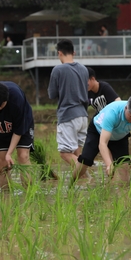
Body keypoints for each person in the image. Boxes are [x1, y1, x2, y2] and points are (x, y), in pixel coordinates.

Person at [74, 95, 131, 182]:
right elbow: (103, 143)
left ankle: (114, 193)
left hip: (120, 136)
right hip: (98, 132)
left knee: (124, 171)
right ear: (126, 108)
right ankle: (71, 184)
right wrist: (109, 164)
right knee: (85, 161)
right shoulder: (112, 113)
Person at [48, 39, 89, 173]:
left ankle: (89, 177)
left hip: (68, 115)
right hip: (83, 115)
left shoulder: (58, 69)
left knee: (65, 153)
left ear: (59, 53)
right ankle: (84, 184)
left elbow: (52, 94)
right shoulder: (84, 69)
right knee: (77, 151)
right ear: (74, 52)